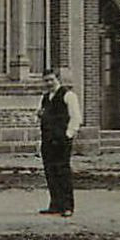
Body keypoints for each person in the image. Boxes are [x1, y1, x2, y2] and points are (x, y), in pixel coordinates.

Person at [37, 67, 82, 216]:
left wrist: (68, 135)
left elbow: (76, 117)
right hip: (48, 141)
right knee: (50, 172)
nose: (49, 83)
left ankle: (67, 206)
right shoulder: (45, 98)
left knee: (63, 172)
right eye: (46, 81)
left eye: (52, 80)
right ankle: (55, 204)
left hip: (61, 140)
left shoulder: (68, 95)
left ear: (58, 80)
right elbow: (43, 115)